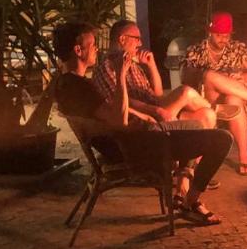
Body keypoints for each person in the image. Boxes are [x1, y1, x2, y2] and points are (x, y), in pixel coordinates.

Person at [52, 21, 232, 226]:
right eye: (92, 44)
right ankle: (189, 200)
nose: (96, 49)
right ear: (78, 50)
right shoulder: (79, 87)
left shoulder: (68, 84)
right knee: (219, 137)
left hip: (133, 138)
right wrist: (121, 74)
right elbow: (119, 119)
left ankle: (184, 190)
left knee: (198, 124)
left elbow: (110, 112)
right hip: (137, 146)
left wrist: (142, 116)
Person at [182, 12, 247, 176]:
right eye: (218, 35)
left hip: (234, 104)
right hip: (207, 102)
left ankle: (243, 155)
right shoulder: (196, 51)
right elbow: (186, 80)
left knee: (233, 98)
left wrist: (243, 77)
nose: (223, 39)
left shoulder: (237, 49)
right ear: (210, 32)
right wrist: (214, 78)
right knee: (210, 75)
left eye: (226, 35)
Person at [93, 20, 216, 129]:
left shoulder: (132, 64)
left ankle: (211, 120)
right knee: (185, 92)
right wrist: (157, 111)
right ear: (122, 39)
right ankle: (218, 109)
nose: (140, 44)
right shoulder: (107, 67)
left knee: (207, 116)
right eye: (137, 38)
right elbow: (120, 102)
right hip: (145, 117)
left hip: (157, 109)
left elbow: (158, 94)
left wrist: (151, 66)